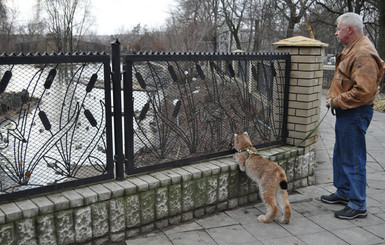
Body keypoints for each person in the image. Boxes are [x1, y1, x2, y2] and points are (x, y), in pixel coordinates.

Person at [320, 12, 385, 219]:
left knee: (353, 158)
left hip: (355, 112)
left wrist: (336, 101)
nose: (335, 32)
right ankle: (344, 192)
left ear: (350, 30)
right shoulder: (354, 48)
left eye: (338, 28)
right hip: (348, 112)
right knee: (341, 154)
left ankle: (358, 204)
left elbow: (363, 91)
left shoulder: (363, 53)